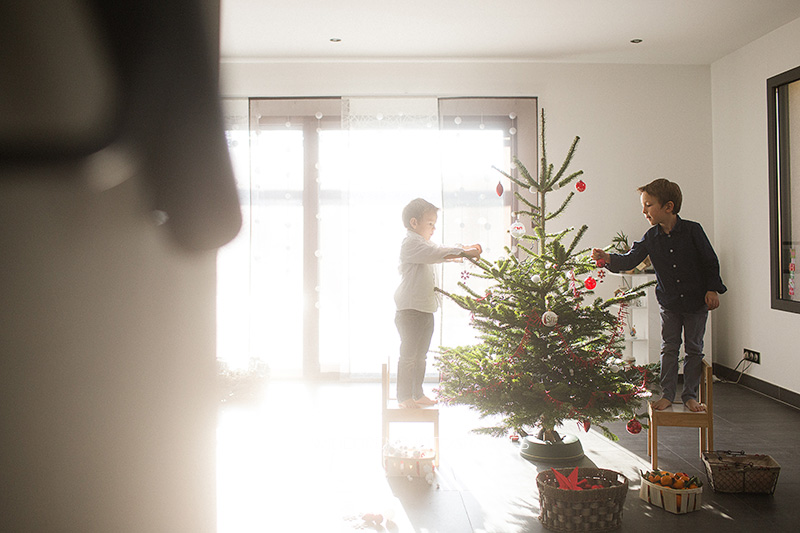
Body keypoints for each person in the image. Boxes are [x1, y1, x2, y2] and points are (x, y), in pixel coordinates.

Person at [592, 178, 726, 412]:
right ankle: (667, 394)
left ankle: (690, 396)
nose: (644, 211)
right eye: (643, 205)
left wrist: (712, 289)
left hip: (696, 303)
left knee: (694, 349)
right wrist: (607, 258)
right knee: (670, 348)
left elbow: (709, 261)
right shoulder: (650, 237)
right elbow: (630, 259)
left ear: (668, 207)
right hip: (670, 303)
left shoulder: (693, 230)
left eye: (648, 205)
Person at [394, 198, 482, 409]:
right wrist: (464, 252)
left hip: (425, 309)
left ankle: (417, 394)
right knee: (409, 356)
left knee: (421, 355)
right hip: (410, 310)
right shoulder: (411, 243)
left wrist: (465, 251)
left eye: (434, 224)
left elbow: (440, 249)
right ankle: (404, 396)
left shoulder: (425, 243)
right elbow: (437, 254)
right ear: (414, 223)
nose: (434, 228)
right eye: (430, 223)